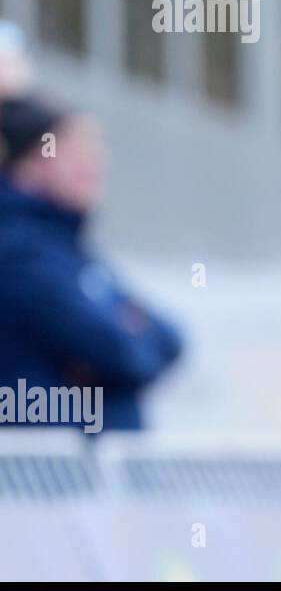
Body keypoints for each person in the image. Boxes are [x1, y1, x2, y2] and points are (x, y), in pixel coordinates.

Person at [0, 96, 183, 432]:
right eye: (73, 150)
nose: (94, 161)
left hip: (81, 476)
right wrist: (123, 334)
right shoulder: (18, 252)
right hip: (41, 478)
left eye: (95, 148)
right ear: (26, 165)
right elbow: (117, 352)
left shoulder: (70, 250)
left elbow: (170, 339)